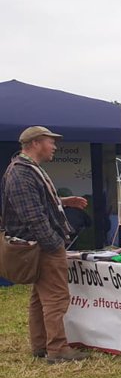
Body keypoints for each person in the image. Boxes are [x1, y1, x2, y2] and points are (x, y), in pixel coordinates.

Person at [1, 126, 90, 363]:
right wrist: (53, 244)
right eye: (51, 142)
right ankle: (58, 349)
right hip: (40, 246)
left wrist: (63, 202)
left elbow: (37, 203)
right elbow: (33, 215)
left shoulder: (27, 170)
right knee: (56, 298)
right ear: (36, 143)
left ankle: (41, 346)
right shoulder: (22, 173)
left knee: (40, 298)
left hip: (36, 245)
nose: (54, 147)